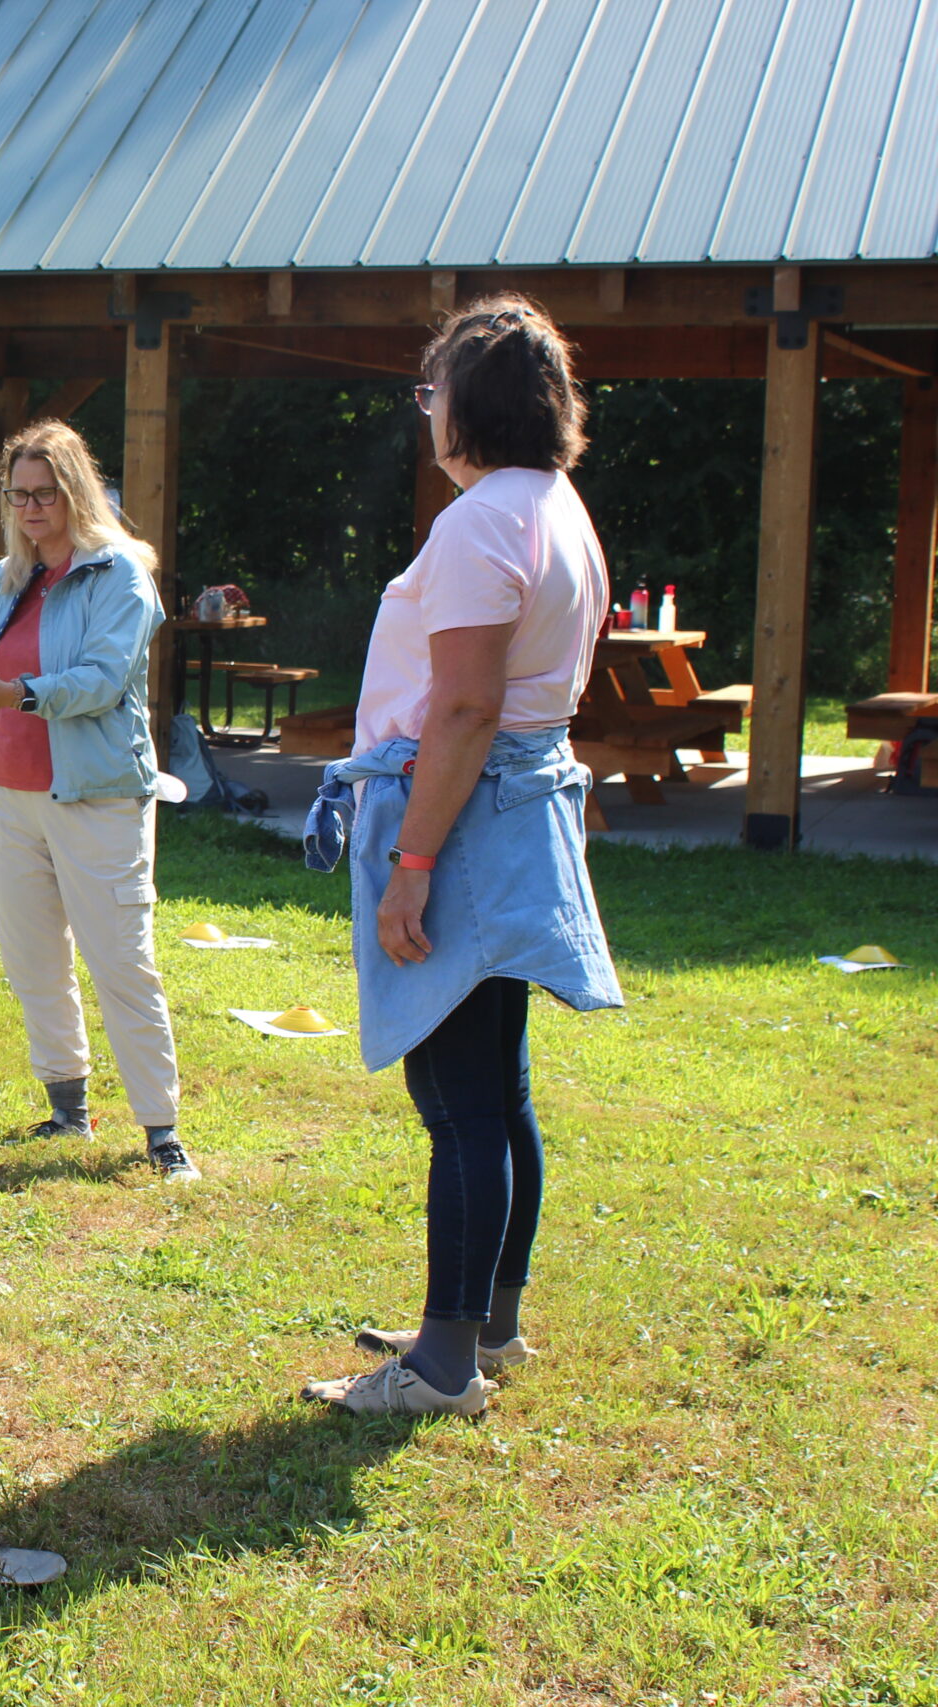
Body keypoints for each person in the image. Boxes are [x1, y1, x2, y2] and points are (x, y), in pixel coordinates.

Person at [298, 296, 622, 1418]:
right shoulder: (554, 506)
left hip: (467, 822)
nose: (423, 410)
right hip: (506, 811)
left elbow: (470, 706)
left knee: (460, 1102)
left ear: (467, 405)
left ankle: (443, 1366)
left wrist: (413, 863)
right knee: (498, 1087)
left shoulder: (483, 520)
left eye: (431, 389)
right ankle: (489, 1317)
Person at [0, 420, 197, 1184]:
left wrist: (15, 694)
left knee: (123, 961)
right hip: (7, 798)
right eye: (17, 495)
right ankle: (67, 1106)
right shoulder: (4, 580)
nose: (29, 508)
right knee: (33, 960)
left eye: (44, 493)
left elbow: (103, 680)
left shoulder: (120, 576)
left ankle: (162, 1131)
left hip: (96, 798)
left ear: (76, 491)